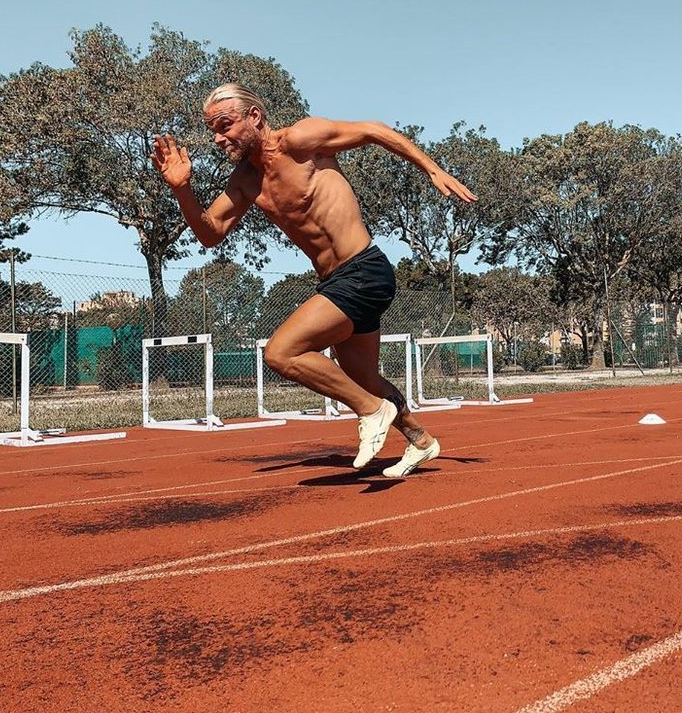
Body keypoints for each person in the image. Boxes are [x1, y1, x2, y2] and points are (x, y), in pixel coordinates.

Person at [151, 83, 477, 476]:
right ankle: (421, 441)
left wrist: (432, 169)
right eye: (213, 131)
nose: (219, 139)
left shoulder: (300, 140)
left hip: (364, 270)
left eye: (225, 126)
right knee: (364, 376)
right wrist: (183, 189)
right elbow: (210, 233)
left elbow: (374, 130)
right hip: (336, 282)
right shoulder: (245, 181)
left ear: (254, 117)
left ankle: (372, 411)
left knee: (281, 353)